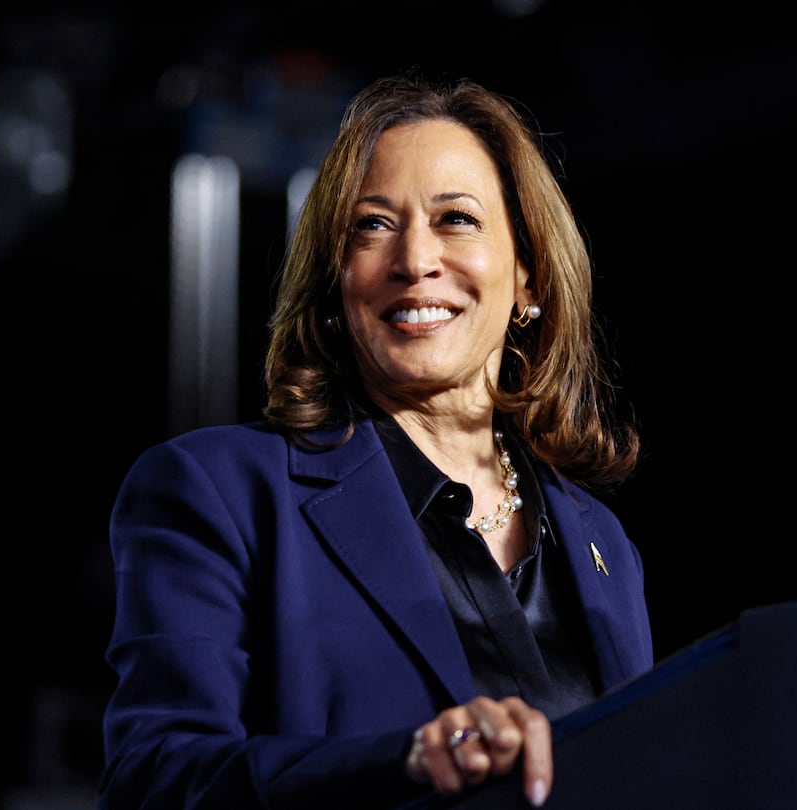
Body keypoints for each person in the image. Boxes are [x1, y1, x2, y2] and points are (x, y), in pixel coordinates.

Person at [98, 71, 653, 810]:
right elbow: (154, 781)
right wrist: (408, 760)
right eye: (373, 225)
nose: (414, 259)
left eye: (456, 218)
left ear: (527, 276)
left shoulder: (603, 544)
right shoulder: (219, 490)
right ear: (336, 287)